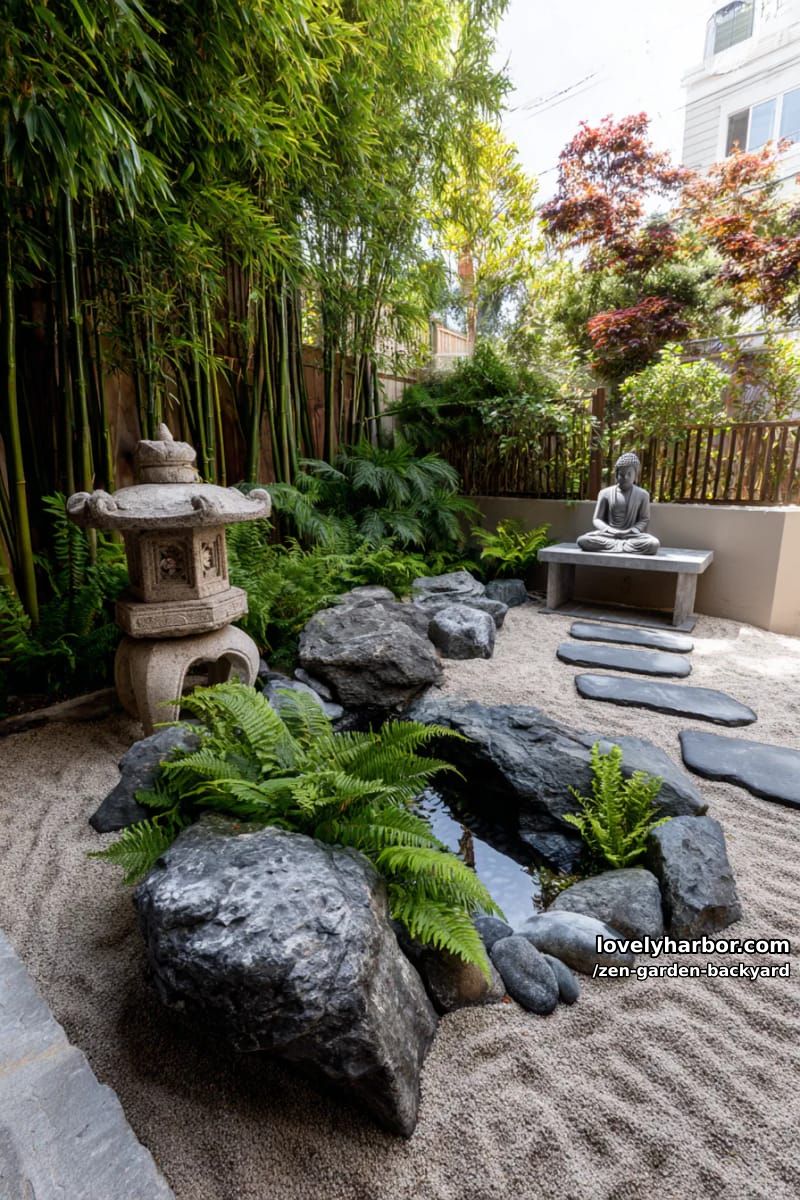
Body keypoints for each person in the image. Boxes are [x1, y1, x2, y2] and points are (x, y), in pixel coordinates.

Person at [577, 452, 660, 555]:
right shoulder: (605, 493)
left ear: (636, 475)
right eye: (621, 474)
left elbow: (644, 519)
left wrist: (632, 530)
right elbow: (597, 519)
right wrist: (609, 530)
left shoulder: (643, 495)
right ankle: (622, 546)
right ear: (616, 474)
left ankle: (618, 546)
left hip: (631, 536)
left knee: (653, 544)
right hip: (609, 535)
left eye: (629, 474)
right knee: (582, 540)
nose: (625, 477)